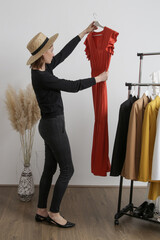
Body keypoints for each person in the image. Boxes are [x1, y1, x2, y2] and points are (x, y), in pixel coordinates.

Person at [26, 22, 109, 228]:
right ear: (43, 53)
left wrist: (84, 32)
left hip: (49, 125)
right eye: (51, 49)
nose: (53, 52)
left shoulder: (43, 67)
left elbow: (64, 53)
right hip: (53, 126)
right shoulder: (43, 76)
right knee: (68, 170)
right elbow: (71, 86)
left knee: (49, 169)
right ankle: (54, 213)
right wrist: (97, 79)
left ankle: (41, 211)